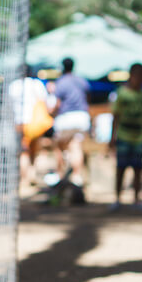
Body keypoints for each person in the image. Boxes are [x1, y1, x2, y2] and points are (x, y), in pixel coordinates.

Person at [109, 63, 142, 210]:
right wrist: (112, 137)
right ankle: (117, 199)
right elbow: (116, 116)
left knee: (138, 169)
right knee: (120, 168)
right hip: (124, 136)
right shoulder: (122, 93)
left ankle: (137, 199)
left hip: (139, 137)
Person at [8, 65, 52, 185]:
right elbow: (45, 103)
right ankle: (31, 175)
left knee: (23, 151)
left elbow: (9, 106)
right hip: (35, 123)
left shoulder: (14, 86)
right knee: (34, 150)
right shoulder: (36, 85)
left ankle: (24, 178)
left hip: (19, 123)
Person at [51, 57, 90, 186]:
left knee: (58, 144)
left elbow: (57, 104)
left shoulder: (61, 82)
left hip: (66, 118)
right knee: (75, 145)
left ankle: (60, 173)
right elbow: (88, 97)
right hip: (82, 118)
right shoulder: (81, 81)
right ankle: (76, 175)